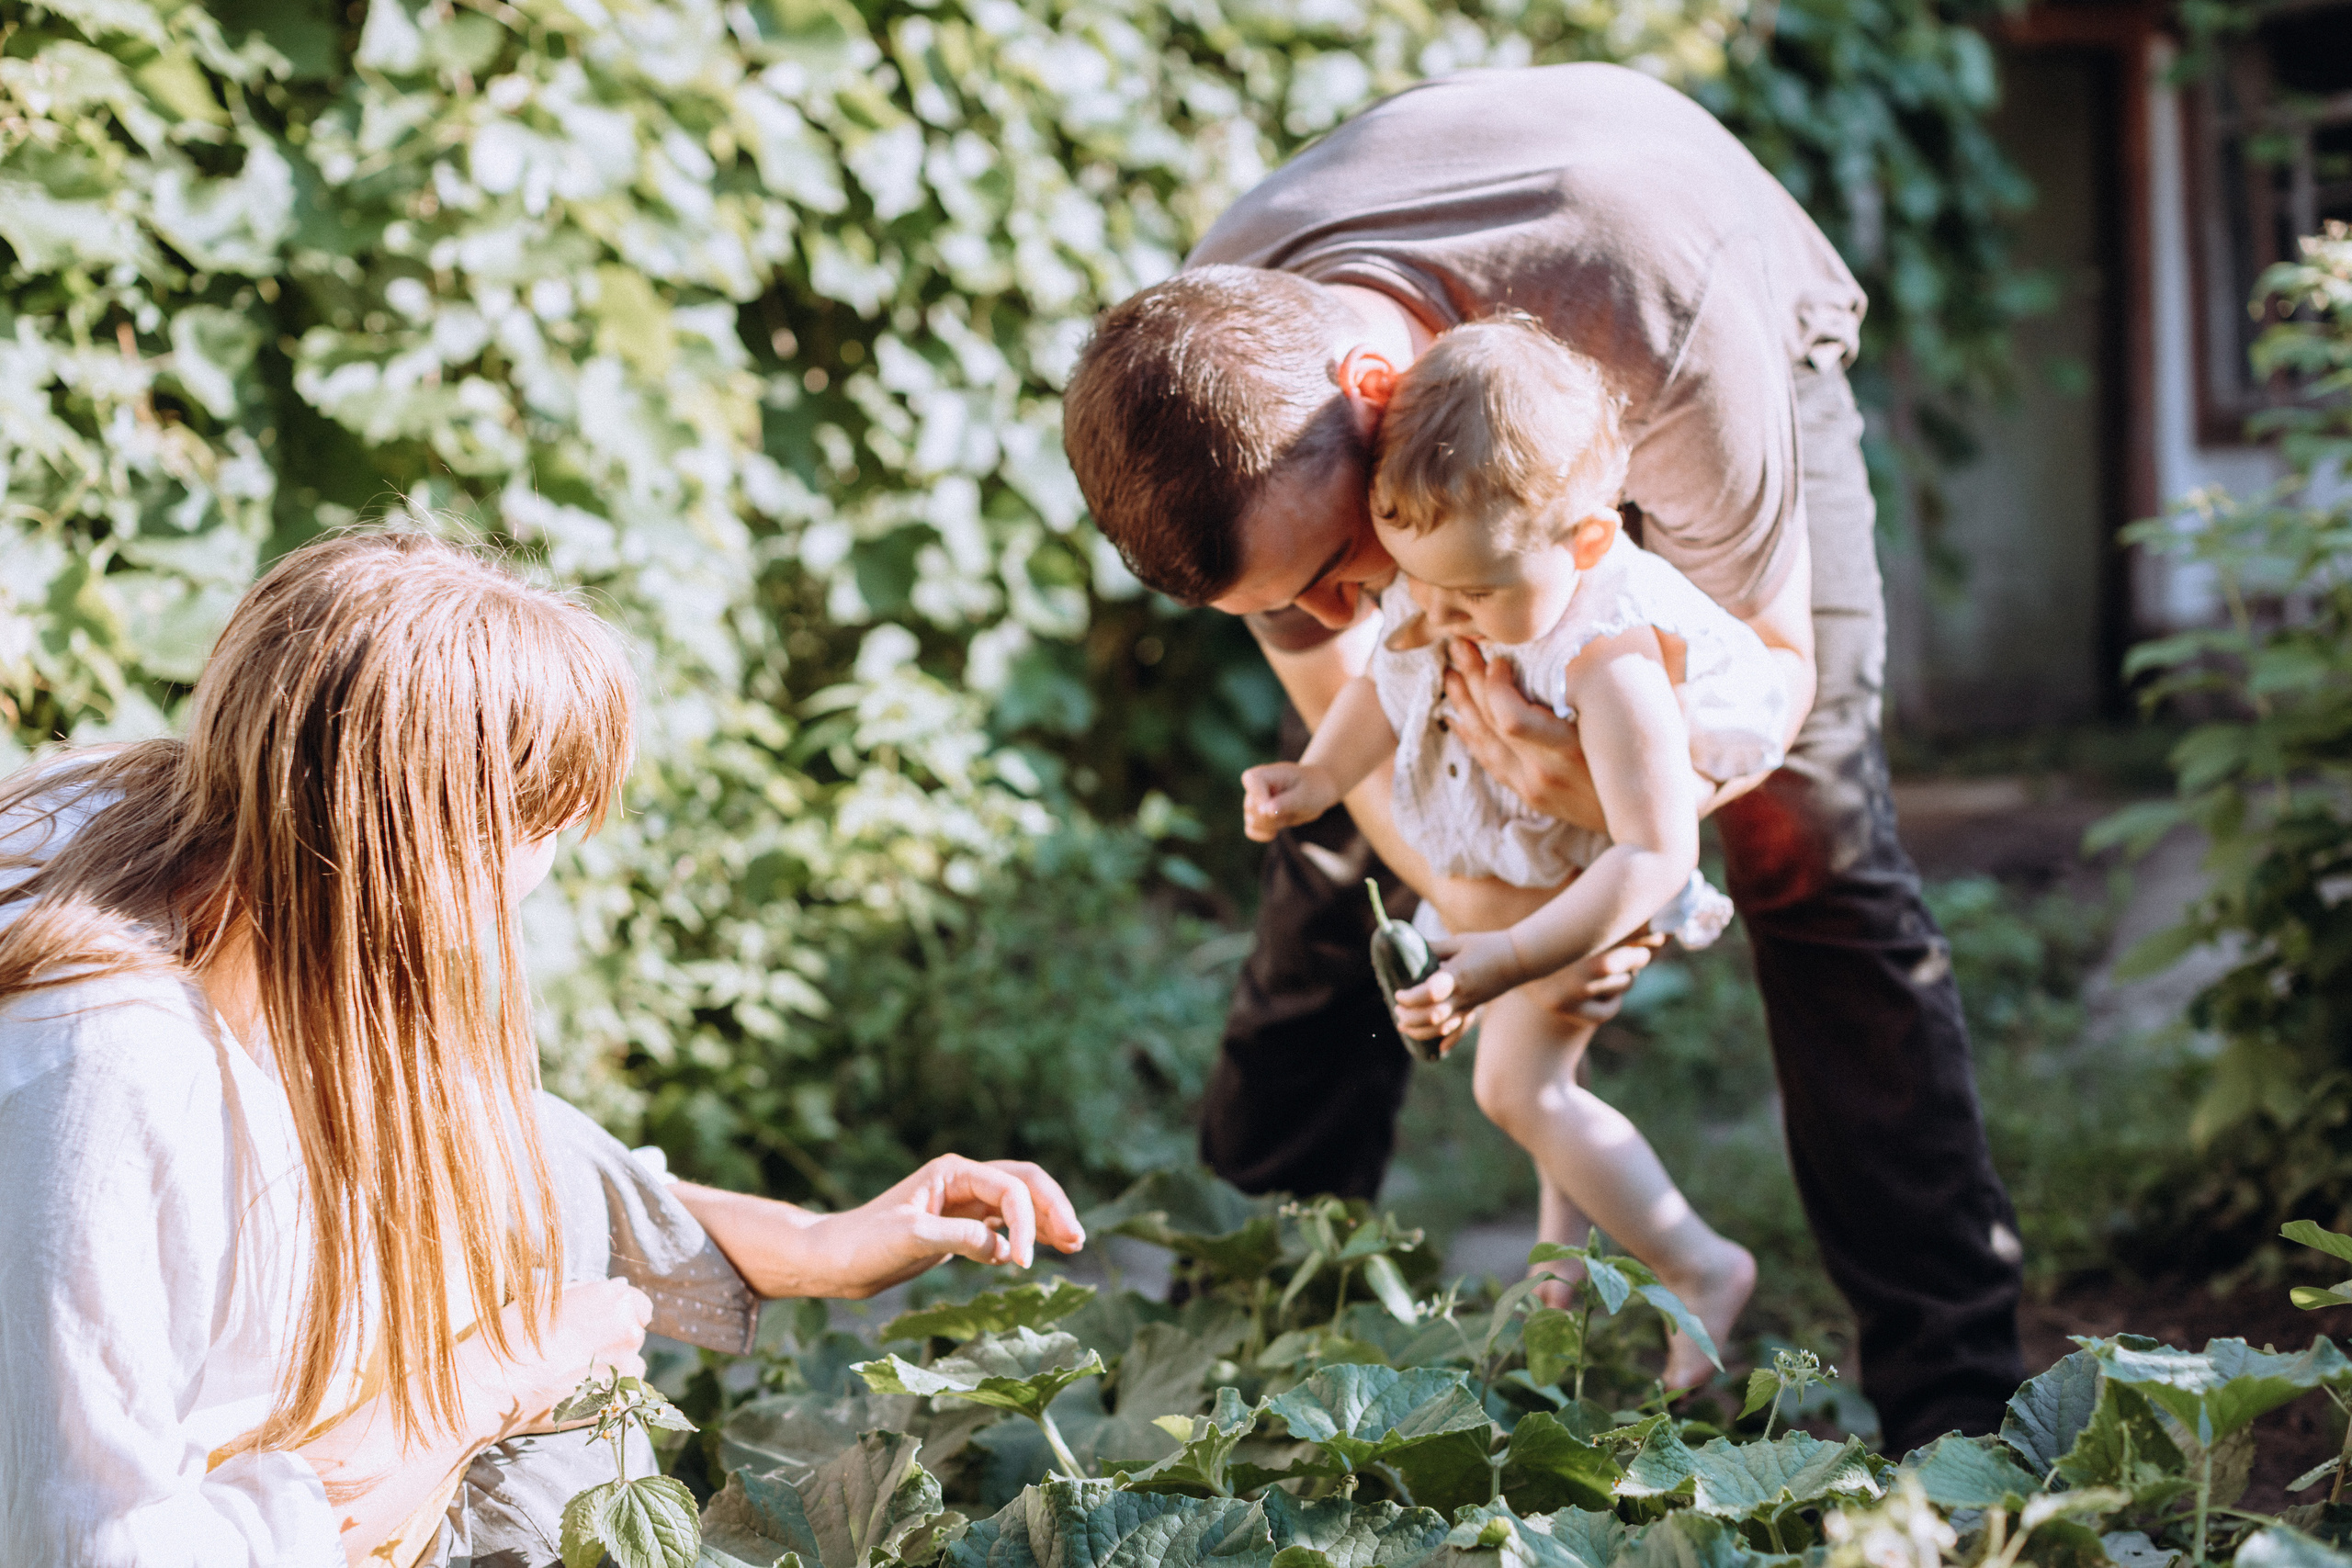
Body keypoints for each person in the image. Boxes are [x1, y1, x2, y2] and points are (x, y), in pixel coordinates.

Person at [1062, 62, 2024, 1450]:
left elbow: (1775, 681)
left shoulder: (1662, 314)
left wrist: (1632, 832)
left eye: (1340, 567)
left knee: (1812, 853)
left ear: (1373, 392)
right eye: (1283, 604)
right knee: (1338, 859)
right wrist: (1497, 905)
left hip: (1684, 318)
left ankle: (1963, 1417)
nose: (1339, 612)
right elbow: (1359, 714)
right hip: (1479, 395)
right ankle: (1241, 1359)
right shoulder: (1222, 367)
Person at [0, 531, 1085, 1568]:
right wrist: (496, 1381)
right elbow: (84, 1546)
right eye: (540, 826)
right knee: (563, 1459)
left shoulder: (160, 821)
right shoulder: (108, 1077)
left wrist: (818, 1242)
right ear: (419, 846)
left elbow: (483, 1129)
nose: (546, 866)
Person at [1241, 315, 1772, 1386]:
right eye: (1419, 586)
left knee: (1517, 1091)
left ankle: (1699, 1264)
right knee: (1548, 1083)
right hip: (1524, 882)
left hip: (1583, 897)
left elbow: (1654, 854)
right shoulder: (1449, 569)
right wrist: (1316, 779)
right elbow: (1380, 686)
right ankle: (1557, 1278)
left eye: (1473, 596)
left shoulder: (1606, 654)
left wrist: (1514, 954)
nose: (1441, 618)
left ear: (1582, 543)